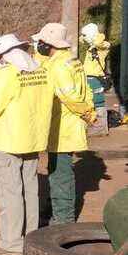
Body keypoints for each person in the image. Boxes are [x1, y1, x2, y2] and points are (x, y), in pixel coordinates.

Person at [0, 34, 53, 255]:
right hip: (32, 139)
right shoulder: (41, 70)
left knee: (10, 192)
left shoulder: (9, 73)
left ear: (3, 55)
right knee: (30, 190)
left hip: (8, 140)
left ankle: (12, 242)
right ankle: (31, 237)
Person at [33, 23, 96, 225]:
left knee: (61, 173)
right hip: (66, 124)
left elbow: (69, 95)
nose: (39, 45)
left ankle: (63, 220)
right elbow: (87, 89)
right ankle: (52, 208)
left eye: (41, 42)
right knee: (55, 168)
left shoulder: (58, 66)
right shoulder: (71, 60)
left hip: (63, 127)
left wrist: (87, 112)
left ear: (49, 43)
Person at [80, 23, 111, 136]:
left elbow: (98, 42)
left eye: (86, 35)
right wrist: (85, 35)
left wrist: (96, 35)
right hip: (88, 77)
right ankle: (93, 125)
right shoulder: (92, 47)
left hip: (96, 78)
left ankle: (101, 128)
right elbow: (81, 40)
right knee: (89, 101)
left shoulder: (103, 46)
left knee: (98, 102)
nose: (84, 37)